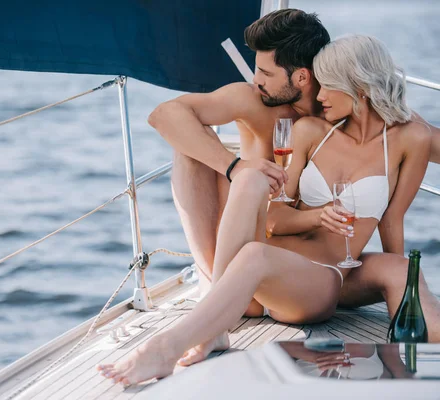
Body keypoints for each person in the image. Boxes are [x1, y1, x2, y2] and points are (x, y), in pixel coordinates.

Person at [96, 33, 432, 385]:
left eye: (327, 85)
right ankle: (215, 322)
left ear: (357, 86)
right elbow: (275, 218)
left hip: (314, 280)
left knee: (256, 254)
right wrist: (310, 212)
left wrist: (397, 280)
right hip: (261, 275)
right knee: (250, 178)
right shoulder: (310, 130)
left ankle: (167, 347)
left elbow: (393, 218)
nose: (318, 95)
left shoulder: (409, 138)